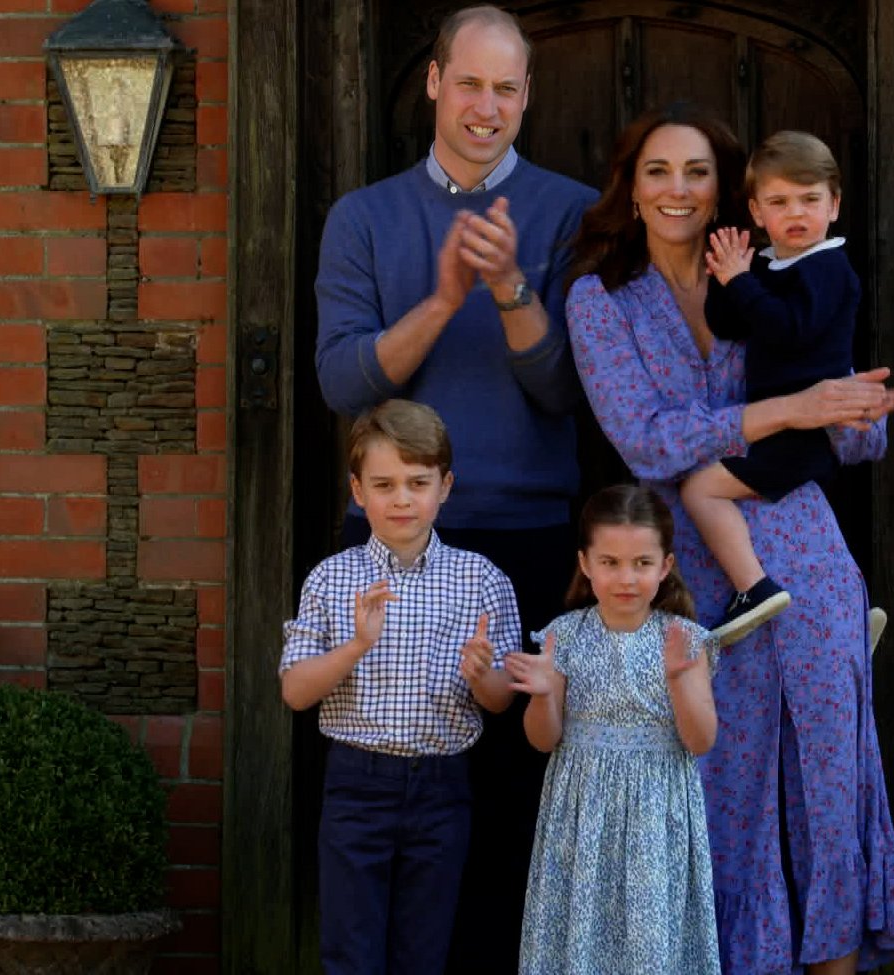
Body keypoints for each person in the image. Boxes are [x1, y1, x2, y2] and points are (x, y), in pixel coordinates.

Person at [563, 103, 894, 974]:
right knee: (720, 787)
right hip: (688, 567)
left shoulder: (774, 268)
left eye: (695, 172)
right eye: (657, 171)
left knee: (831, 779)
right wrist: (792, 409)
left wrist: (857, 409)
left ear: (728, 193)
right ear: (630, 189)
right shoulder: (599, 298)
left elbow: (843, 425)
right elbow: (644, 439)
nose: (677, 189)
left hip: (805, 545)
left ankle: (836, 960)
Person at [312, 6, 598, 967]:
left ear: (527, 97)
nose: (486, 106)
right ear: (433, 82)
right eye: (468, 83)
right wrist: (441, 298)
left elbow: (566, 391)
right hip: (391, 541)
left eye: (505, 88)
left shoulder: (571, 213)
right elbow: (344, 382)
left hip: (524, 536)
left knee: (513, 798)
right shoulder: (364, 216)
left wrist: (512, 287)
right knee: (383, 799)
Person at [279, 399, 519, 975]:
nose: (403, 499)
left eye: (418, 482)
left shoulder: (481, 579)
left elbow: (502, 699)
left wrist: (482, 674)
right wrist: (357, 645)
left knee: (424, 949)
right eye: (384, 484)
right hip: (357, 784)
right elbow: (295, 692)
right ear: (358, 491)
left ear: (446, 486)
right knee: (350, 948)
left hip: (442, 787)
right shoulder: (332, 578)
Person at [507, 485, 722, 975]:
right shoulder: (565, 634)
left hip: (656, 813)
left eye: (642, 564)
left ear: (665, 566)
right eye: (610, 562)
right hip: (581, 813)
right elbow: (543, 740)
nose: (626, 578)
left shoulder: (684, 639)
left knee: (650, 944)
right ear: (585, 563)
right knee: (581, 937)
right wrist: (542, 693)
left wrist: (679, 681)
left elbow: (700, 741)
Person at [685, 130, 860, 646]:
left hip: (802, 433)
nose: (797, 213)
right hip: (778, 425)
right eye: (780, 202)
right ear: (758, 213)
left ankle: (753, 589)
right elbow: (729, 324)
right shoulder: (771, 265)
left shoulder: (828, 268)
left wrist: (743, 282)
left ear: (834, 205)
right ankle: (837, 616)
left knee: (701, 489)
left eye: (810, 200)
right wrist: (727, 276)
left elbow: (789, 329)